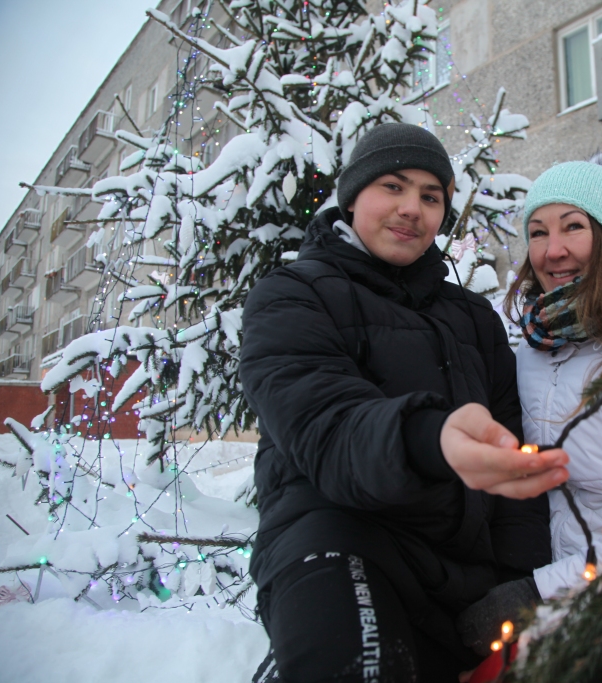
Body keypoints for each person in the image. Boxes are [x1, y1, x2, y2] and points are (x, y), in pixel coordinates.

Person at [239, 122, 568, 683]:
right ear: (353, 197)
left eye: (430, 196)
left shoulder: (474, 318)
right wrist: (430, 438)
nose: (412, 208)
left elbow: (516, 463)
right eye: (393, 186)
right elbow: (327, 424)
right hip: (337, 539)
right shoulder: (292, 293)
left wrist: (520, 581)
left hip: (460, 574)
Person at [456, 154, 602, 661]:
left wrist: (537, 592)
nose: (552, 250)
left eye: (573, 227)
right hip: (559, 602)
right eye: (537, 232)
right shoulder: (531, 341)